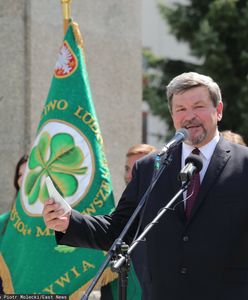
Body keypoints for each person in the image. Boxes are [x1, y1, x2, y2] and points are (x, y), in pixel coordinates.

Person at [43, 72, 248, 300]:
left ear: (218, 110)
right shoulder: (151, 167)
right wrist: (69, 220)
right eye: (180, 109)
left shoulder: (244, 164)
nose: (190, 116)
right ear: (172, 116)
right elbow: (119, 229)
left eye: (198, 106)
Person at [101, 144, 156, 299]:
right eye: (127, 168)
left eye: (138, 169)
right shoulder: (117, 216)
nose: (130, 175)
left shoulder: (163, 216)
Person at [0, 154, 28, 294]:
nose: (22, 179)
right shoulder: (3, 224)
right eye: (19, 174)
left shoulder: (58, 225)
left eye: (28, 173)